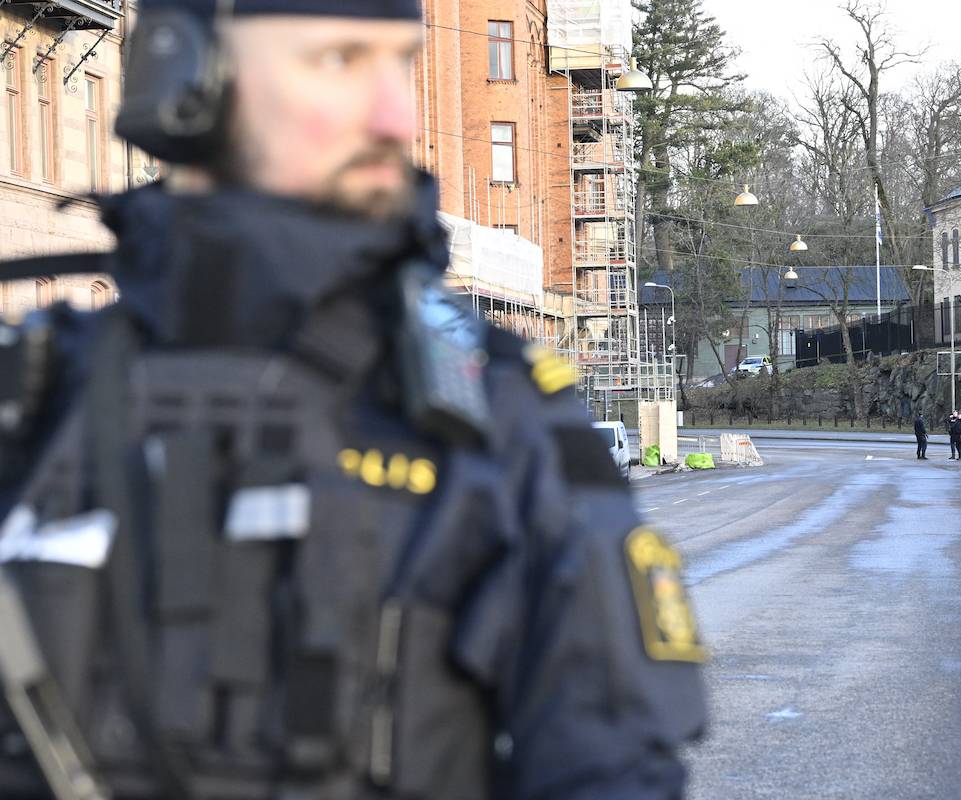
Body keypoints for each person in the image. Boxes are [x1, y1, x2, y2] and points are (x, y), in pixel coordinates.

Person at [0, 1, 706, 798]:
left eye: (399, 63)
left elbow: (613, 769)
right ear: (184, 77)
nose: (394, 114)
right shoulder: (36, 397)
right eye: (339, 60)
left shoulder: (495, 410)